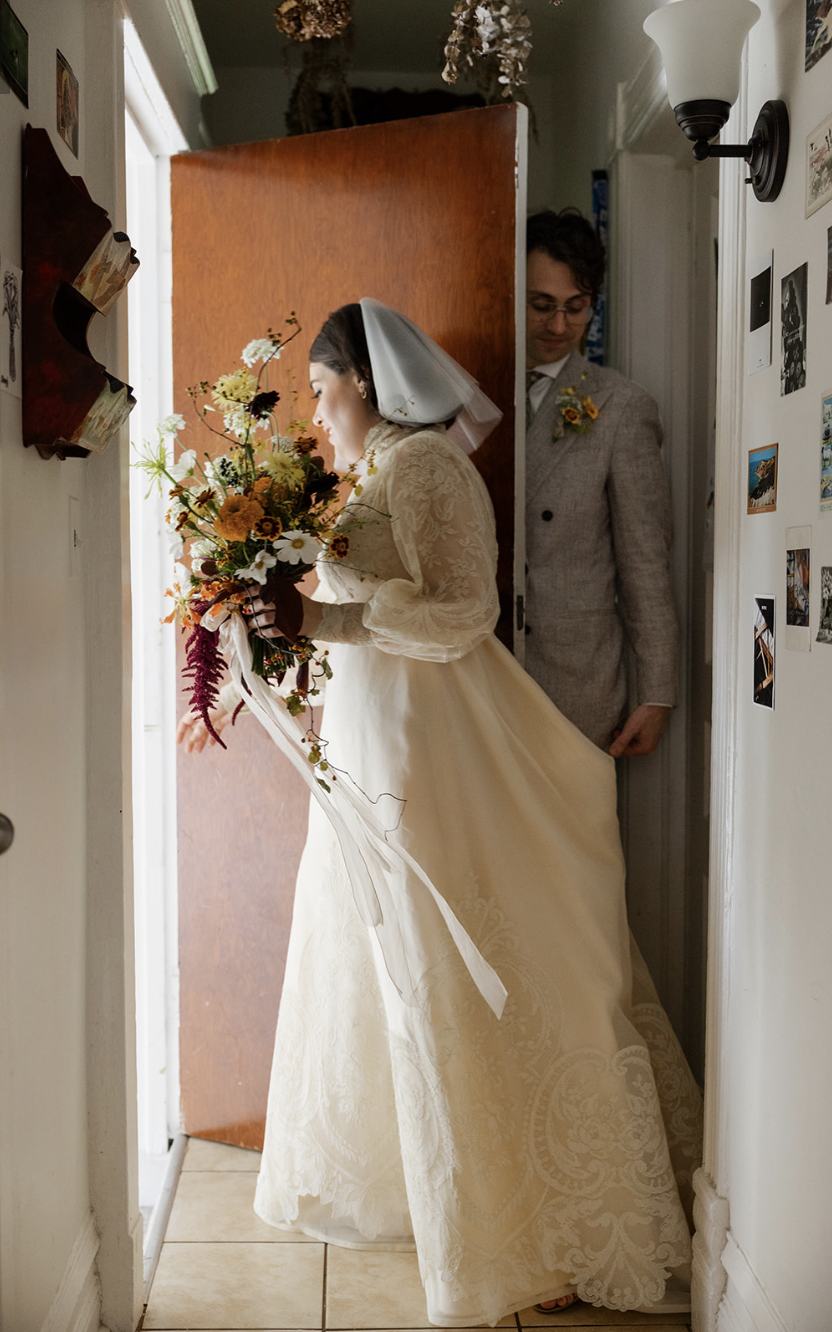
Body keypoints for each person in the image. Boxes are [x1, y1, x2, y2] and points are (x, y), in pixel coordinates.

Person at [179, 299, 701, 1326]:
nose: (318, 412)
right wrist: (272, 631)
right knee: (377, 959)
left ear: (363, 382)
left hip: (433, 744)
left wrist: (323, 611)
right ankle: (426, 1187)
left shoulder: (423, 467)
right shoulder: (364, 473)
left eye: (325, 390)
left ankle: (538, 1225)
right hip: (370, 736)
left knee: (449, 966)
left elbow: (463, 610)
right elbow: (352, 614)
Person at [524, 209, 678, 757]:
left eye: (576, 307)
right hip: (473, 672)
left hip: (576, 680)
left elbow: (645, 560)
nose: (560, 326)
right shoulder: (469, 395)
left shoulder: (619, 406)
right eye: (542, 305)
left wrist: (657, 692)